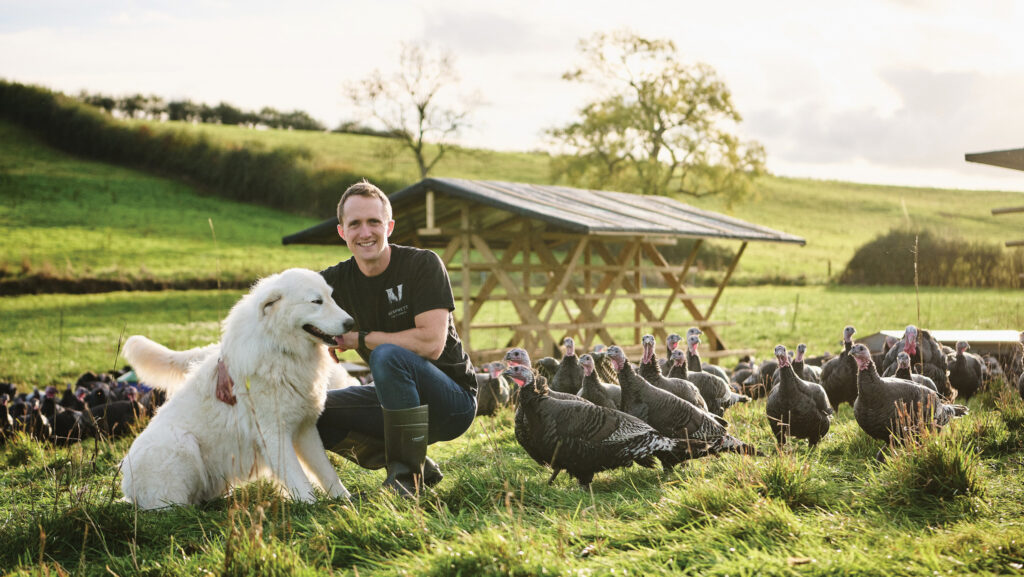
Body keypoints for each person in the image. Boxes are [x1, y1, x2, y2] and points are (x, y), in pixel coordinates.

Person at [216, 180, 477, 497]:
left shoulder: (422, 264)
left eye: (373, 222)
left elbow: (431, 345)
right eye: (355, 224)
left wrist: (361, 339)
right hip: (391, 401)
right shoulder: (331, 283)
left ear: (389, 226)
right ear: (342, 232)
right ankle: (413, 460)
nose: (365, 232)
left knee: (386, 355)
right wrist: (224, 363)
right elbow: (263, 310)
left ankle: (407, 481)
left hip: (450, 402)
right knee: (313, 415)